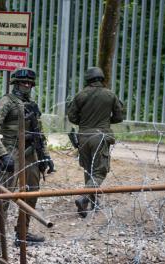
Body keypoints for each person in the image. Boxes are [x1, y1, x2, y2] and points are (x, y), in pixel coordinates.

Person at [0, 67, 55, 257]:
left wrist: (46, 156)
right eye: (23, 83)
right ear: (15, 83)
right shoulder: (6, 102)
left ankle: (22, 233)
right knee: (5, 196)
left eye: (29, 83)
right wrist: (3, 154)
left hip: (32, 152)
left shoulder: (32, 105)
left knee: (32, 193)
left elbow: (39, 133)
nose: (26, 86)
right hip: (12, 150)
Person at [67, 67, 124, 218]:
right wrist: (105, 120)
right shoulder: (110, 95)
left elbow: (72, 117)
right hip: (100, 136)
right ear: (101, 78)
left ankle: (93, 202)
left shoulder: (80, 95)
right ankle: (84, 197)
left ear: (88, 79)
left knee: (88, 169)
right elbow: (119, 117)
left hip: (83, 136)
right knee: (100, 171)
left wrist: (85, 121)